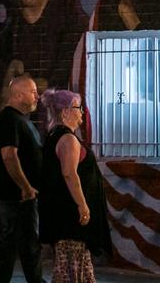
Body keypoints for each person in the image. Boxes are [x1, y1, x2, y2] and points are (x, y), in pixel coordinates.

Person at [38, 89, 109, 283]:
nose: (82, 113)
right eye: (78, 108)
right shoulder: (67, 139)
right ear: (65, 112)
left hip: (64, 215)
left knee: (76, 266)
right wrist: (82, 204)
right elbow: (69, 173)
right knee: (71, 266)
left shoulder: (56, 136)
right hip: (69, 216)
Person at [0, 75, 44, 283]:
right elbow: (9, 155)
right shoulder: (9, 119)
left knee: (14, 243)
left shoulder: (20, 120)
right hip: (17, 196)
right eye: (33, 92)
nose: (37, 96)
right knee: (25, 243)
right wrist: (26, 187)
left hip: (22, 195)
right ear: (18, 94)